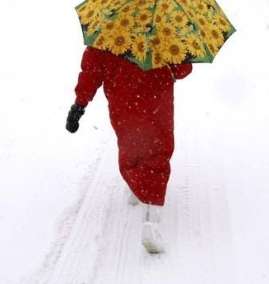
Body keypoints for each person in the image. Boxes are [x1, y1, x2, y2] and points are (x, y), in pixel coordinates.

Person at [66, 46, 192, 254]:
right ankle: (150, 221)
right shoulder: (164, 33)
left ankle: (136, 185)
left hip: (123, 100)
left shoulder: (106, 35)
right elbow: (182, 70)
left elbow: (92, 70)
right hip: (157, 97)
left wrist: (80, 104)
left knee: (131, 147)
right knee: (157, 153)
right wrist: (182, 56)